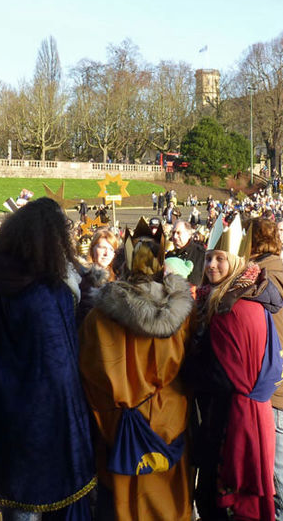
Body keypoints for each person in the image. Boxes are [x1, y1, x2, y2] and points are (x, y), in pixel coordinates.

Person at [0, 198, 96, 519]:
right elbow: (58, 368)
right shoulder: (47, 292)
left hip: (5, 409)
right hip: (48, 423)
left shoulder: (4, 282)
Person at [78, 221, 195, 520]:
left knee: (122, 499)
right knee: (167, 496)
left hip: (118, 420)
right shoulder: (183, 315)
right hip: (169, 415)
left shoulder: (99, 317)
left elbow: (91, 373)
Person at [185, 213, 283, 520]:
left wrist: (184, 369)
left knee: (219, 502)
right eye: (208, 258)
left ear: (236, 263)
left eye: (220, 259)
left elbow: (224, 377)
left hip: (231, 421)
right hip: (246, 414)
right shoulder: (246, 296)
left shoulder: (232, 310)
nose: (211, 266)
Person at [248, 217, 283, 521]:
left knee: (280, 476)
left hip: (281, 390)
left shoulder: (266, 278)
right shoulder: (275, 269)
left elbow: (273, 345)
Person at [167, 220, 207, 288]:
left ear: (189, 234)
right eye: (173, 233)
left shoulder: (201, 255)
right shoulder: (169, 256)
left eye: (178, 233)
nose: (175, 236)